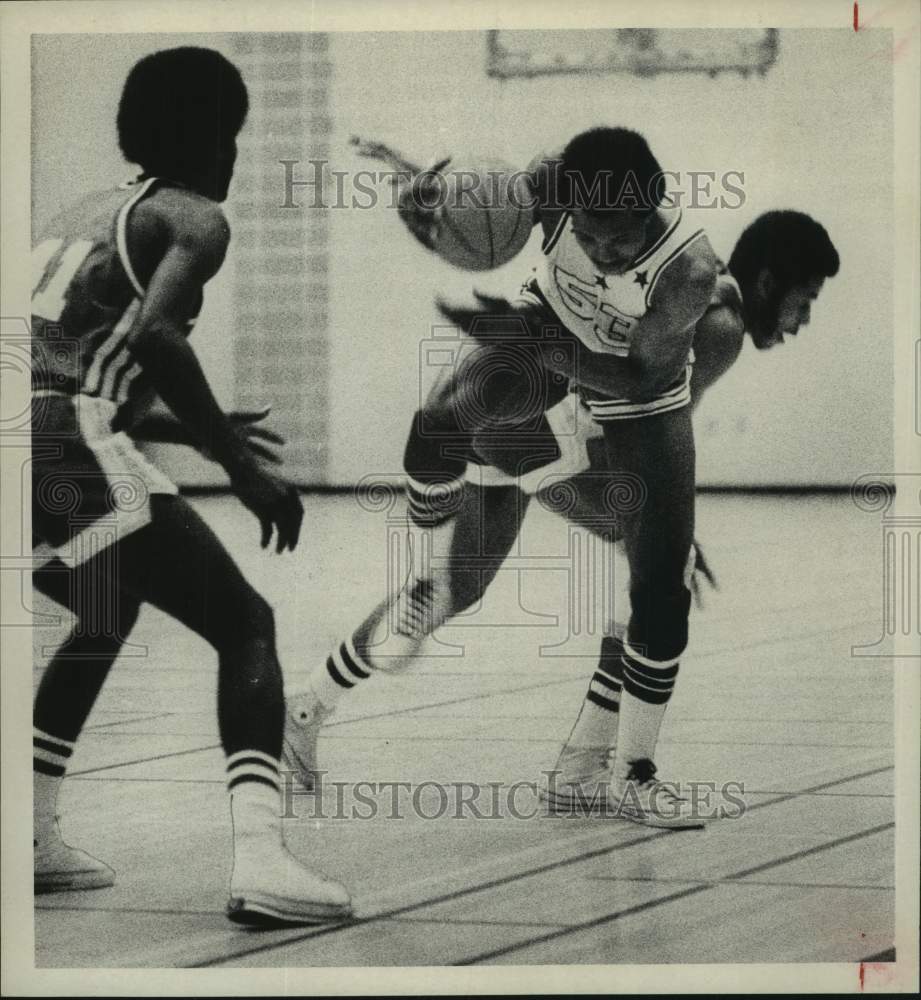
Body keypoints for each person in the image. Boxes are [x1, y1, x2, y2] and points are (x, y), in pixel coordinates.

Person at [287, 126, 722, 828]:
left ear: (655, 204)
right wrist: (423, 186)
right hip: (539, 352)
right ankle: (305, 708)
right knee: (449, 501)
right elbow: (475, 194)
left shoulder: (688, 273)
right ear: (563, 207)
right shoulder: (547, 181)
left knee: (660, 585)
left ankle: (631, 773)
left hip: (635, 394)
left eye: (619, 237)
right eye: (589, 235)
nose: (604, 251)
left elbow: (637, 373)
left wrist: (544, 347)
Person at [30, 46, 351, 925]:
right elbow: (161, 339)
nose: (237, 154)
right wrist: (241, 469)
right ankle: (261, 862)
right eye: (235, 134)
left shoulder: (81, 212)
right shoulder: (195, 217)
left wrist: (178, 427)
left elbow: (57, 367)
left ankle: (29, 833)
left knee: (105, 606)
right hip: (60, 442)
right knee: (246, 623)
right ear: (217, 136)